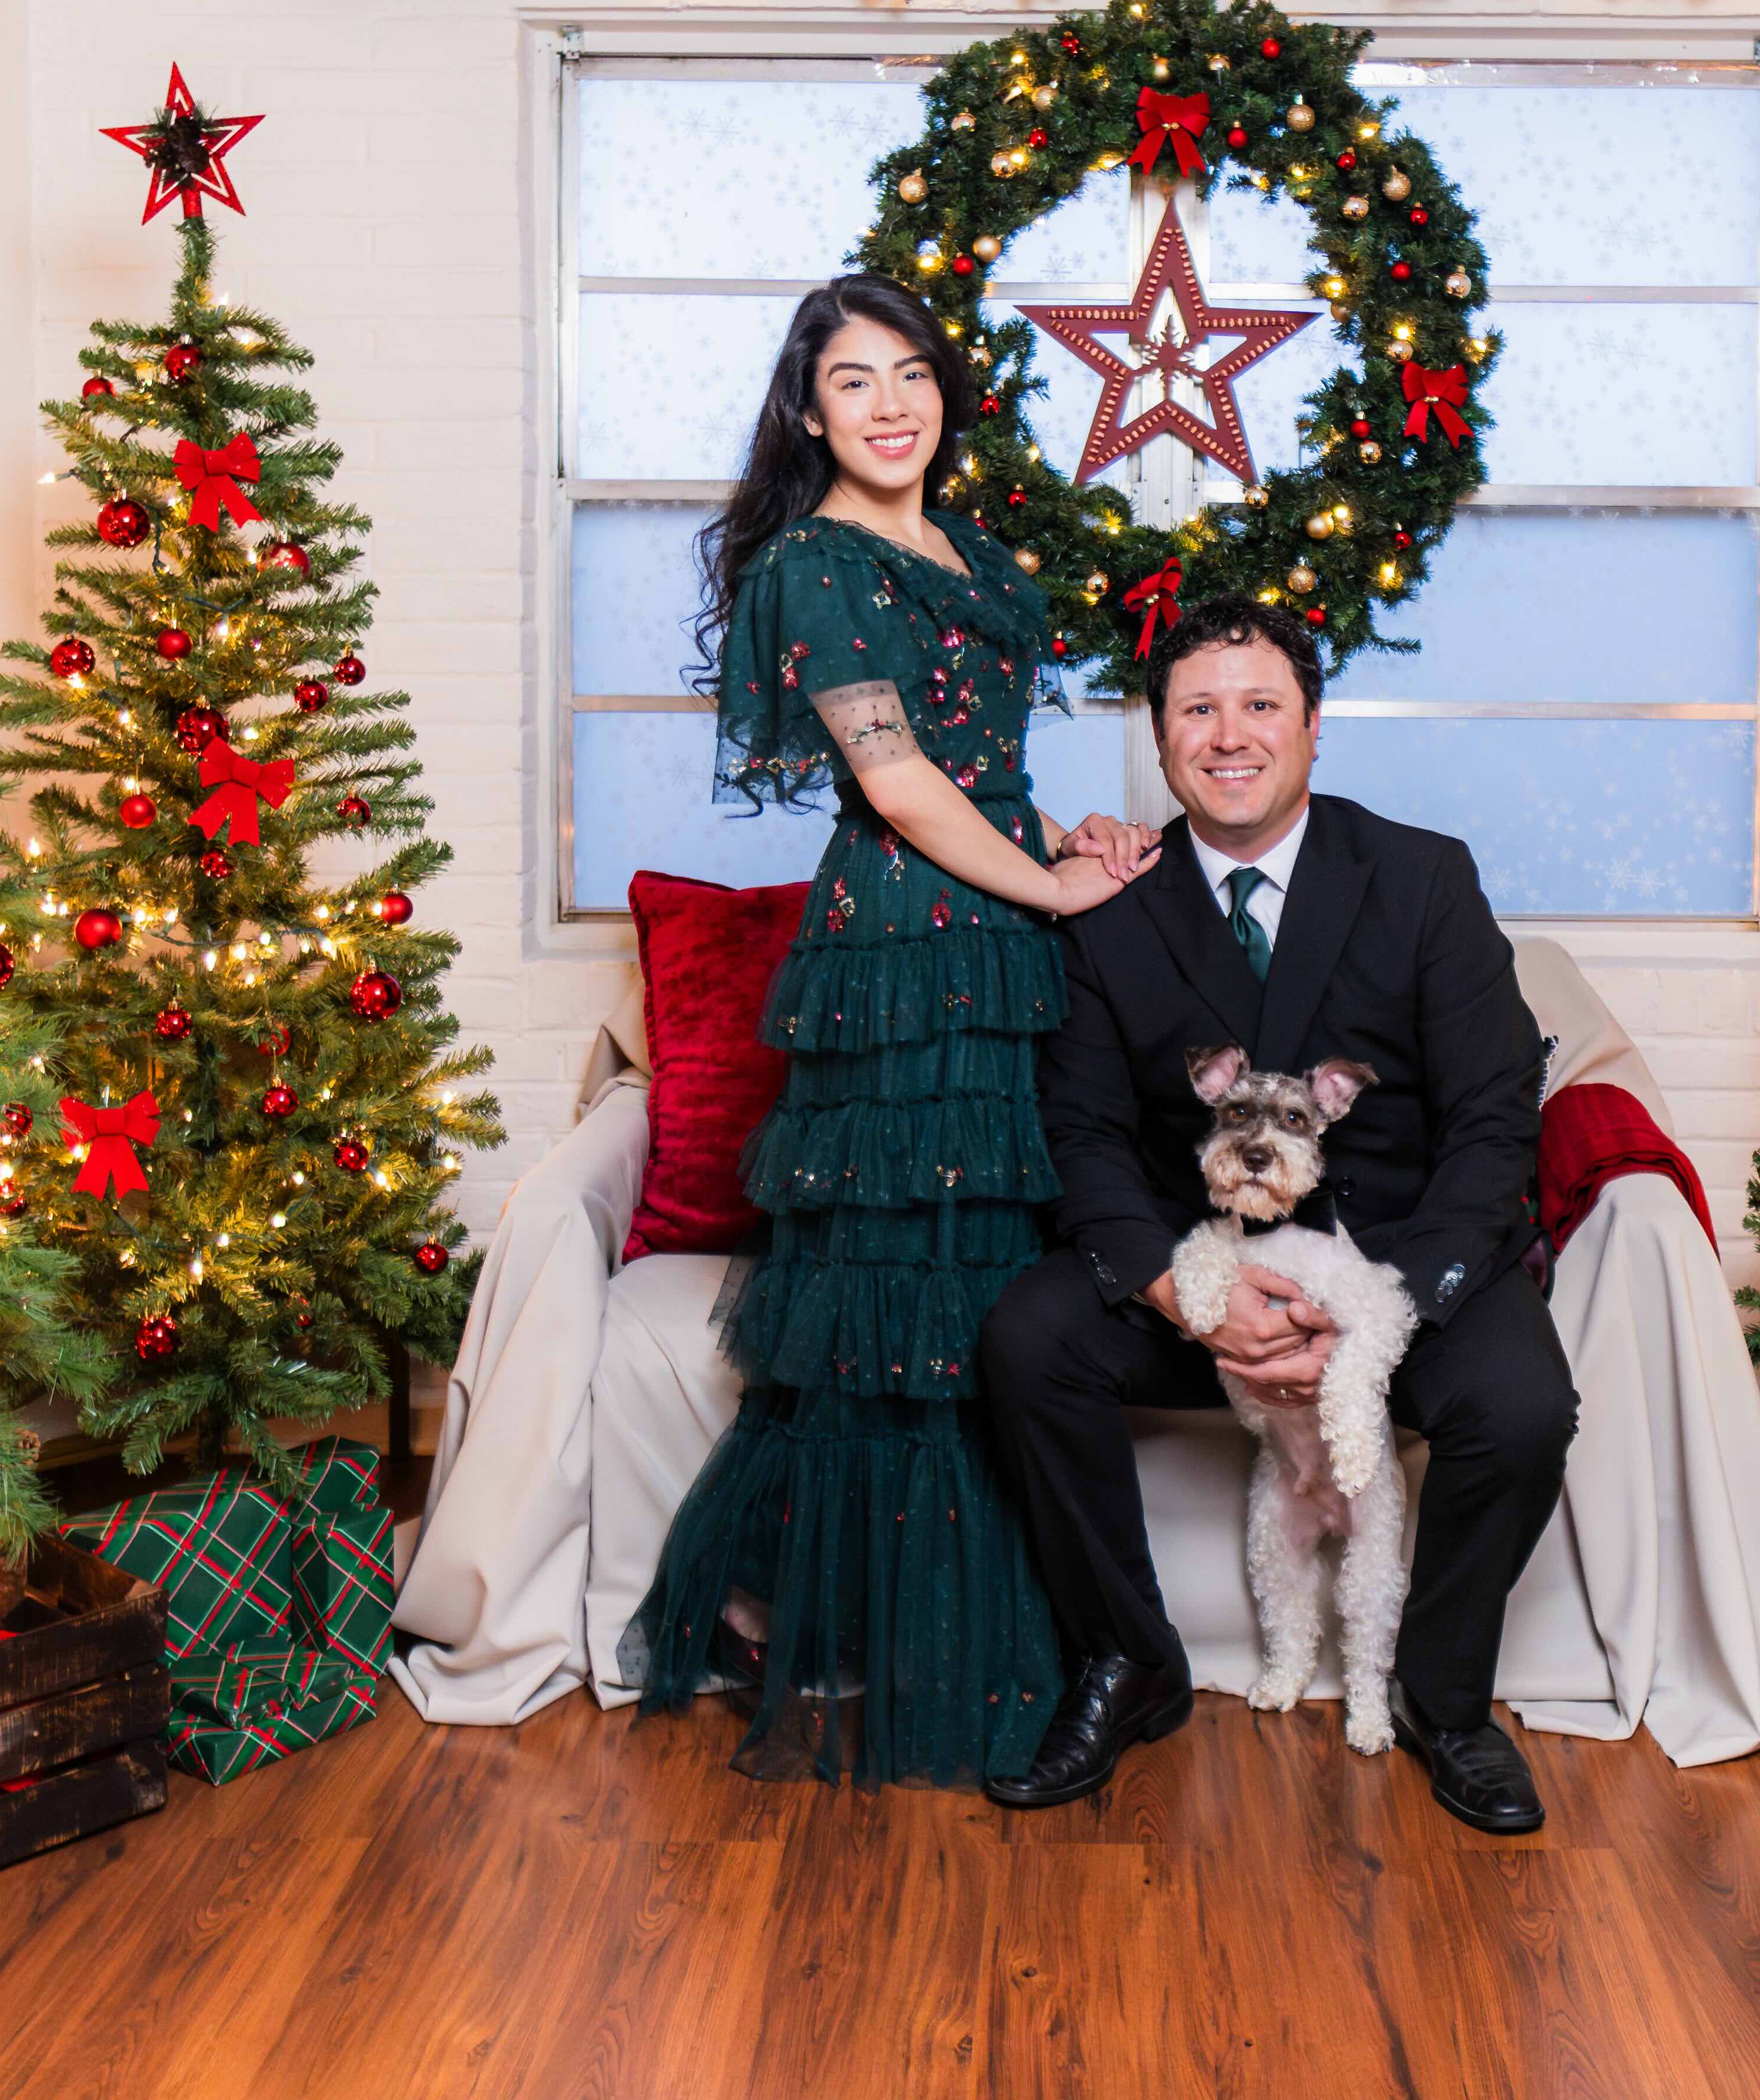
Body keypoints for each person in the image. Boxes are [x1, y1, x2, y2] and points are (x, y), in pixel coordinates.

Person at [621, 275, 1159, 1786]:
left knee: (981, 1290)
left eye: (911, 374)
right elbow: (903, 788)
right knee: (886, 1303)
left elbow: (983, 775)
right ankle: (786, 1610)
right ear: (808, 411)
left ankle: (942, 1608)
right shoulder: (817, 560)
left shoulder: (970, 550)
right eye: (853, 382)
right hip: (902, 948)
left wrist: (1076, 841)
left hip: (988, 933)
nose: (890, 405)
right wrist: (1051, 892)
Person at [977, 595, 1577, 1833]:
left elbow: (1490, 1114)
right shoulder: (1103, 901)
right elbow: (1078, 1130)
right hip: (1198, 1271)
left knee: (1522, 1407)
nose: (1229, 734)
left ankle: (1441, 1697)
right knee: (1025, 1344)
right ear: (1158, 739)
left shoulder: (1418, 875)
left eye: (1260, 705)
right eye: (1197, 708)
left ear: (1312, 728)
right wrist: (1174, 1293)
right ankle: (1124, 1658)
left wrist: (1386, 1309)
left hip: (1392, 1269)